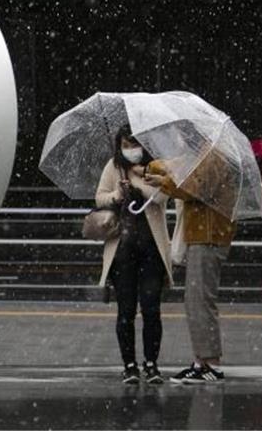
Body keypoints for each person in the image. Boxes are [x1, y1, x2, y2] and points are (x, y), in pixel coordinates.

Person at [143, 149, 236, 383]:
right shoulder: (204, 155)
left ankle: (211, 364)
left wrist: (164, 181)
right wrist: (158, 168)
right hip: (202, 235)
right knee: (195, 300)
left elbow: (194, 187)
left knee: (200, 299)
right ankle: (201, 361)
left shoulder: (213, 156)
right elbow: (177, 167)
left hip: (209, 236)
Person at [95, 127, 174, 384]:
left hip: (152, 250)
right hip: (122, 250)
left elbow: (164, 195)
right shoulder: (113, 167)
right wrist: (118, 194)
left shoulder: (156, 167)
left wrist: (141, 188)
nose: (130, 149)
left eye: (134, 143)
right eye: (125, 144)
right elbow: (100, 197)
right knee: (125, 310)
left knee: (151, 309)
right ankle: (129, 366)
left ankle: (152, 365)